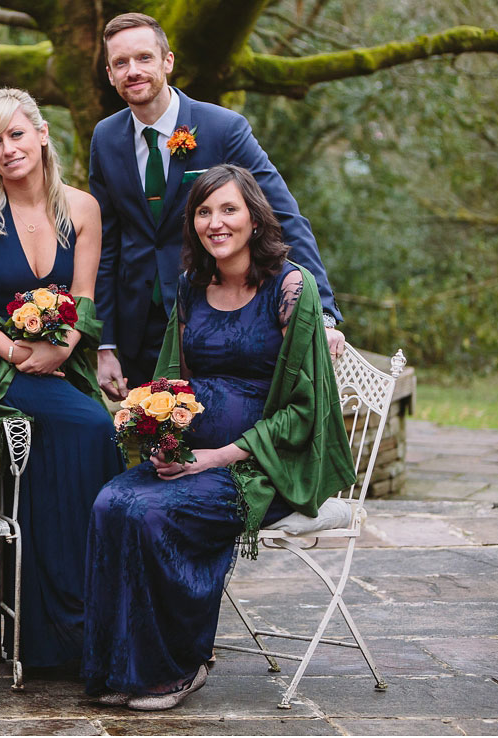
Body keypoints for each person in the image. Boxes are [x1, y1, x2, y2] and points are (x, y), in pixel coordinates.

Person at [81, 164, 356, 711]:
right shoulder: (190, 286)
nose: (216, 222)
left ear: (254, 216)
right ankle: (124, 665)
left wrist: (214, 458)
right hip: (192, 456)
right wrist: (162, 435)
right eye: (204, 212)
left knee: (153, 513)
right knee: (112, 501)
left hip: (264, 464)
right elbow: (170, 378)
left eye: (228, 209)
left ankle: (180, 665)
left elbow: (304, 410)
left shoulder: (290, 288)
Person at [0, 89, 123, 670]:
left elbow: (88, 297)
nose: (7, 149)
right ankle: (63, 623)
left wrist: (66, 343)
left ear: (42, 134)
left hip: (63, 365)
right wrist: (16, 350)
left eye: (16, 135)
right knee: (94, 428)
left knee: (66, 445)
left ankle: (62, 633)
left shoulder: (84, 210)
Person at [88, 12, 343, 396]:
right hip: (137, 327)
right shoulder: (105, 138)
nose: (133, 71)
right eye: (120, 63)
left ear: (167, 61)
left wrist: (321, 311)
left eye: (144, 58)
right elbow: (104, 244)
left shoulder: (224, 128)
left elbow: (284, 215)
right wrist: (104, 343)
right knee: (153, 445)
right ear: (110, 74)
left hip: (213, 319)